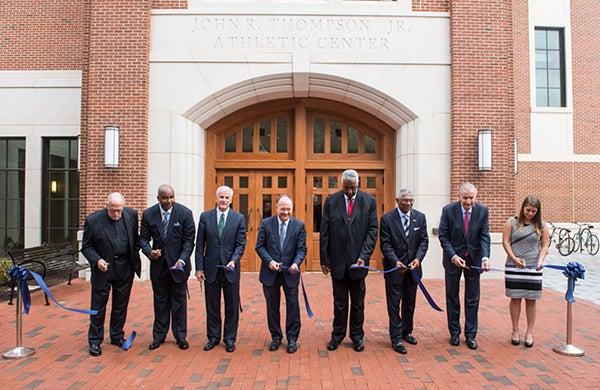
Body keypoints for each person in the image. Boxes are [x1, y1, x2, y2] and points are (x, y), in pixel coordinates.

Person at [320, 169, 378, 352]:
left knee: (358, 303)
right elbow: (325, 231)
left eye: (353, 188)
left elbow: (372, 231)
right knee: (339, 302)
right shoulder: (331, 201)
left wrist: (364, 256)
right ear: (341, 185)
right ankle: (337, 335)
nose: (350, 192)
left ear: (358, 184)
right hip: (337, 262)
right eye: (346, 188)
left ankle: (357, 336)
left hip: (358, 262)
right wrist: (324, 259)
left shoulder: (369, 201)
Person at [81, 192, 141, 357]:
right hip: (103, 268)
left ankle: (116, 335)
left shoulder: (131, 215)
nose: (116, 214)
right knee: (98, 305)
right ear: (106, 205)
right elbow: (86, 246)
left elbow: (135, 240)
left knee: (120, 305)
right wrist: (97, 260)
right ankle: (95, 340)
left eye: (119, 210)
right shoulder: (93, 221)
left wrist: (134, 256)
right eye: (113, 210)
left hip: (124, 267)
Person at [139, 184, 196, 351]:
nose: (169, 201)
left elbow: (188, 241)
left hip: (179, 266)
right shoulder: (149, 214)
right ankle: (159, 336)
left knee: (179, 302)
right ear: (158, 198)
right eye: (165, 198)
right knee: (160, 301)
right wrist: (149, 252)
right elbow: (142, 239)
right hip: (159, 267)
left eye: (171, 197)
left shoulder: (184, 213)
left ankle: (180, 336)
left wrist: (182, 259)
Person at [438, 182, 490, 350]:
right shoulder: (448, 211)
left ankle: (470, 334)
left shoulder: (482, 211)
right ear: (458, 196)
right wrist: (453, 256)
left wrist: (485, 257)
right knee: (452, 296)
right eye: (465, 198)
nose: (468, 202)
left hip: (473, 260)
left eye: (471, 198)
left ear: (476, 196)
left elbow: (484, 236)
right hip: (453, 260)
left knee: (472, 298)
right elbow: (443, 236)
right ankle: (454, 332)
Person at [195, 185, 247, 353]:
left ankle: (230, 338)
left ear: (231, 200)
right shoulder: (205, 217)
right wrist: (199, 268)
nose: (224, 200)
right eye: (221, 197)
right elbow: (199, 245)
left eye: (226, 198)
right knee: (212, 305)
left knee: (231, 306)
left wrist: (234, 260)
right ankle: (213, 337)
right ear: (216, 199)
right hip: (211, 268)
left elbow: (240, 244)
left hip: (230, 269)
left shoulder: (238, 218)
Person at [255, 194, 307, 354]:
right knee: (272, 307)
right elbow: (259, 247)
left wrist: (296, 263)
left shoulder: (299, 225)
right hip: (270, 273)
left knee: (292, 306)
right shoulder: (265, 224)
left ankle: (292, 339)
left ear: (292, 209)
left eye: (288, 209)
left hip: (290, 273)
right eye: (282, 209)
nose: (285, 212)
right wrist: (270, 261)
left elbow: (302, 249)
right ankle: (276, 337)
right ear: (276, 208)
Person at [380, 189, 429, 354]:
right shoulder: (387, 219)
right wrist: (396, 261)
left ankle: (407, 331)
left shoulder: (420, 217)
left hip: (413, 270)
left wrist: (418, 258)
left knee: (409, 303)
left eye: (410, 200)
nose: (408, 203)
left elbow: (424, 241)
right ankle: (395, 338)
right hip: (395, 270)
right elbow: (385, 244)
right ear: (397, 200)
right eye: (404, 200)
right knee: (394, 305)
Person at [502, 196, 549, 348]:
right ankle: (515, 331)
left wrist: (540, 261)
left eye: (534, 211)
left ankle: (529, 332)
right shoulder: (512, 222)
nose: (530, 213)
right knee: (515, 298)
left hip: (532, 266)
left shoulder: (542, 226)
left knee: (531, 299)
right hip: (514, 265)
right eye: (528, 210)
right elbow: (505, 241)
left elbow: (544, 246)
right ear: (523, 208)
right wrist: (513, 258)